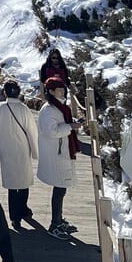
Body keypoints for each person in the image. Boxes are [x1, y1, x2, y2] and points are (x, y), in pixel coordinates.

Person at [0, 80, 39, 228]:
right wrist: (35, 151)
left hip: (6, 148)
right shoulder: (24, 109)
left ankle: (14, 216)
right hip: (22, 148)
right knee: (23, 181)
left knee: (12, 183)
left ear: (5, 92)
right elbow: (32, 131)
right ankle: (23, 209)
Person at [37, 77, 81, 236]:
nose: (62, 92)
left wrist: (72, 123)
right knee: (60, 188)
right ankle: (55, 224)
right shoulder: (49, 109)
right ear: (51, 91)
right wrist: (70, 126)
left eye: (63, 89)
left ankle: (58, 220)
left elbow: (61, 124)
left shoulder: (59, 107)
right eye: (59, 89)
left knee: (61, 188)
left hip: (61, 151)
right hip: (57, 153)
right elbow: (51, 131)